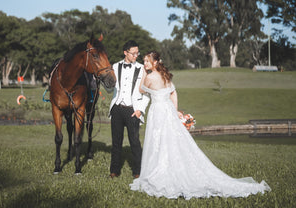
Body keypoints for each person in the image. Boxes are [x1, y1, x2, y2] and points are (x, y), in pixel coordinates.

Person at [130, 51, 271, 199]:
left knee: (159, 140)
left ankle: (161, 171)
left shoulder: (151, 77)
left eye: (147, 61)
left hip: (158, 111)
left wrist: (144, 74)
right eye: (144, 61)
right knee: (172, 141)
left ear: (156, 62)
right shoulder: (166, 76)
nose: (145, 64)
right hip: (168, 110)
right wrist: (176, 110)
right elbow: (173, 93)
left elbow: (141, 90)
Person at [109, 40, 150, 178]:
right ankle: (114, 171)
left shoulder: (142, 69)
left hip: (133, 110)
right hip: (117, 109)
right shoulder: (114, 66)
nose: (136, 56)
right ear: (125, 53)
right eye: (133, 53)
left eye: (137, 53)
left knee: (134, 141)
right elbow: (110, 88)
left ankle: (138, 172)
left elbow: (147, 94)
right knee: (116, 141)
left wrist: (140, 110)